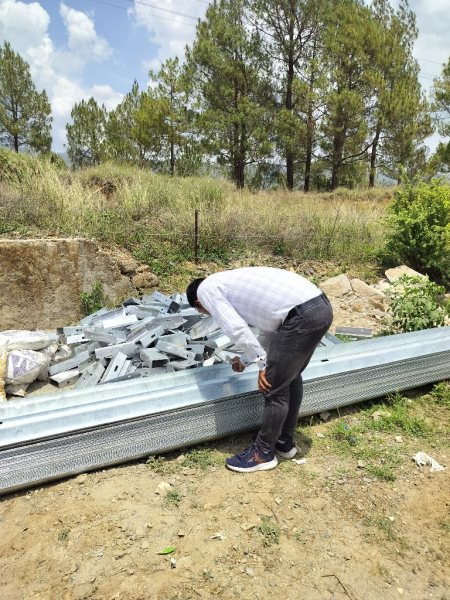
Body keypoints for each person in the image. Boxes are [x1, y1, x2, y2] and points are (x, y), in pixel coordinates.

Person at [186, 266, 333, 473]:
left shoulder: (206, 290)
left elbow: (236, 328)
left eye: (201, 311)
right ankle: (283, 441)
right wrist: (245, 360)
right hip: (320, 309)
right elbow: (269, 333)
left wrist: (262, 364)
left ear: (199, 303)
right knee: (290, 378)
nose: (205, 312)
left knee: (272, 386)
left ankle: (262, 454)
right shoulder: (230, 284)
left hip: (301, 317)